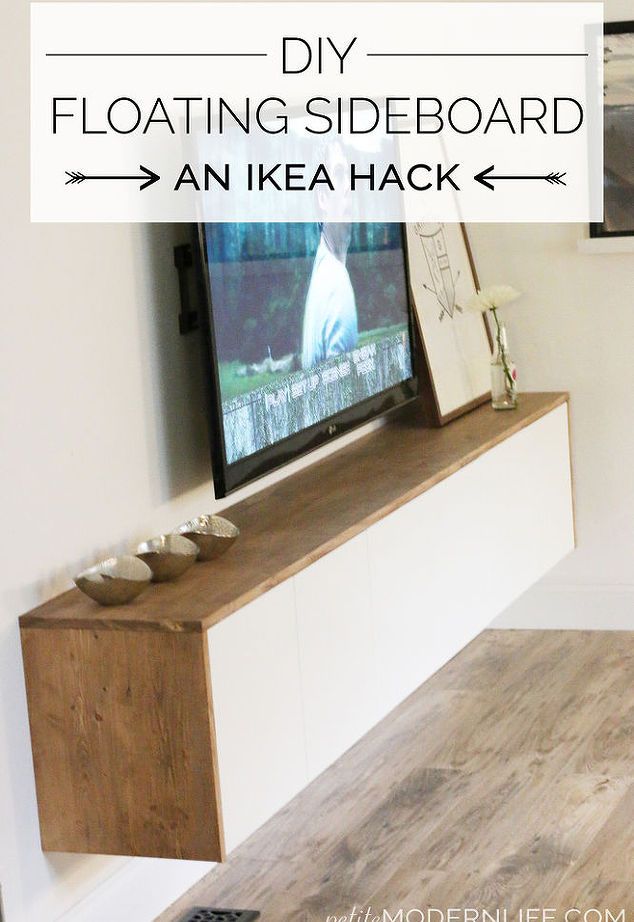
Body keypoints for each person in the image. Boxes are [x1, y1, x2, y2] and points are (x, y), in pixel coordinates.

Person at [301, 141, 359, 370]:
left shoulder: (325, 271)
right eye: (339, 174)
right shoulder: (336, 283)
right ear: (322, 198)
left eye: (349, 174)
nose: (349, 186)